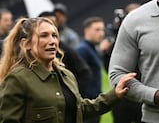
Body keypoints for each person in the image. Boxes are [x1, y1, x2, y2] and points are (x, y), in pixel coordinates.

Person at [0, 17, 136, 123]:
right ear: (26, 44)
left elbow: (80, 109)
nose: (52, 41)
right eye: (44, 36)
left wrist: (115, 94)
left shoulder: (66, 75)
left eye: (54, 35)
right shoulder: (17, 79)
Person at [38, 11, 92, 93]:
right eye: (44, 35)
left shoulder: (65, 50)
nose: (50, 27)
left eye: (53, 23)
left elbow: (84, 73)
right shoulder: (23, 69)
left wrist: (71, 94)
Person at [76, 16, 105, 123]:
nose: (101, 33)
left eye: (102, 29)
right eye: (97, 30)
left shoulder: (92, 48)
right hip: (87, 104)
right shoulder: (82, 50)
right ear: (87, 31)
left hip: (93, 103)